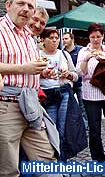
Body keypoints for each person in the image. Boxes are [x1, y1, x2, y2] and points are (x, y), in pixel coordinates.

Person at [0, 0, 59, 176]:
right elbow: (21, 68)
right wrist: (22, 69)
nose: (26, 9)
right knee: (8, 170)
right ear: (8, 5)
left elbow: (28, 68)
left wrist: (42, 73)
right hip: (6, 105)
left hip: (31, 105)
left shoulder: (28, 34)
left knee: (47, 162)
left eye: (30, 6)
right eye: (21, 4)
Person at [76, 23, 105, 162]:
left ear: (103, 36)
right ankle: (98, 159)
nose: (95, 40)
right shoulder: (83, 51)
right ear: (89, 37)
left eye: (98, 36)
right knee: (94, 130)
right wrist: (87, 59)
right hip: (90, 95)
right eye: (93, 37)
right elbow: (80, 72)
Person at [39, 28, 78, 161]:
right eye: (51, 38)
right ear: (43, 40)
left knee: (62, 128)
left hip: (62, 93)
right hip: (47, 95)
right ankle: (52, 161)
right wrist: (42, 74)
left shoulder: (63, 54)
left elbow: (76, 76)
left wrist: (68, 75)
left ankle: (62, 161)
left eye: (57, 38)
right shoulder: (37, 54)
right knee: (51, 130)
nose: (55, 40)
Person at [62, 32, 88, 127]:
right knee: (69, 106)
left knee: (83, 106)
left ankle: (85, 126)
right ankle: (72, 126)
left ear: (72, 39)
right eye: (63, 39)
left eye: (66, 38)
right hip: (69, 84)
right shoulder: (62, 53)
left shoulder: (81, 50)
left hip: (80, 83)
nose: (64, 40)